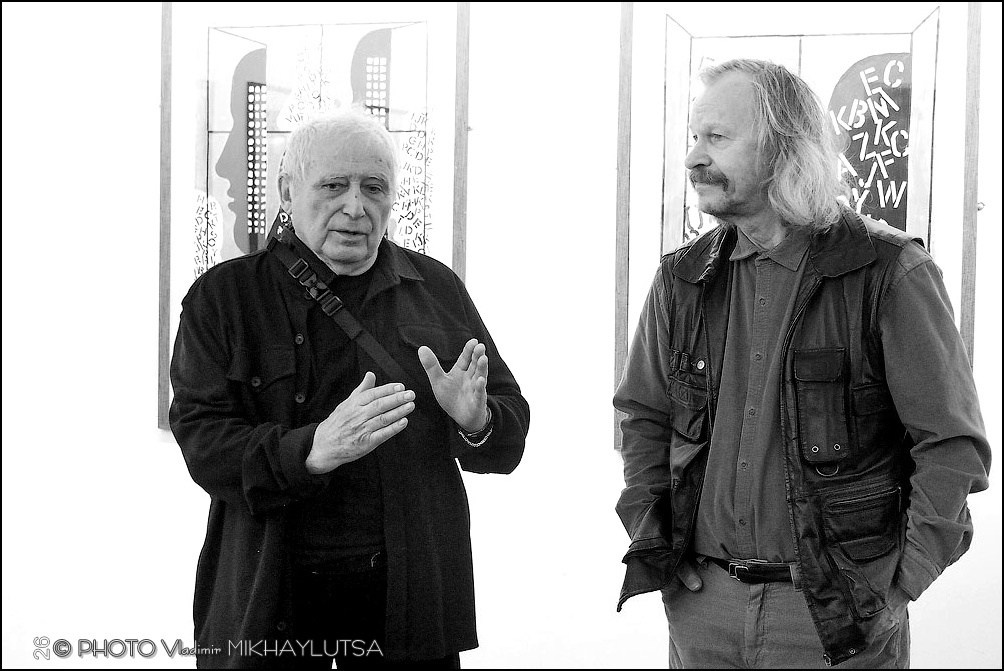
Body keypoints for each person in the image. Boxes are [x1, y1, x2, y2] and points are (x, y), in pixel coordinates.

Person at [613, 58, 990, 668]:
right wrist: (649, 531)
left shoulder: (888, 272)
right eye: (694, 137)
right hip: (702, 605)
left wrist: (899, 584)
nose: (693, 158)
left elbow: (951, 446)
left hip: (835, 618)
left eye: (717, 137)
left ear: (783, 147)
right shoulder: (681, 279)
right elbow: (643, 418)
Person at [170, 110, 530, 669]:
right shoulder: (225, 298)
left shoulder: (434, 287)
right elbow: (203, 442)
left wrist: (476, 422)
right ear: (288, 191)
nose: (356, 207)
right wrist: (310, 451)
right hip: (272, 598)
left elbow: (508, 436)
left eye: (374, 187)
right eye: (334, 186)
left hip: (407, 601)